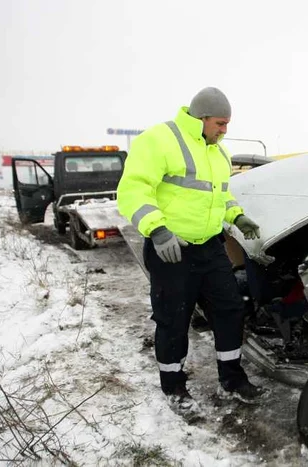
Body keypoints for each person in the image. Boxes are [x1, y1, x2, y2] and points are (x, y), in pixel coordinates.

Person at [116, 87, 267, 413]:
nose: (225, 131)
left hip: (210, 249)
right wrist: (157, 230)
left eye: (227, 124)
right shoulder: (160, 140)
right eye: (220, 123)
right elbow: (132, 190)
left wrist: (237, 215)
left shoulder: (219, 153)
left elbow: (219, 197)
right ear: (201, 118)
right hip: (172, 250)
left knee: (230, 310)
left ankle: (232, 380)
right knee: (173, 320)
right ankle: (174, 388)